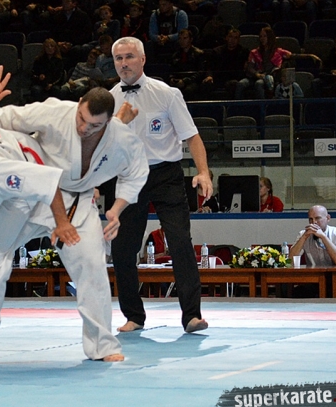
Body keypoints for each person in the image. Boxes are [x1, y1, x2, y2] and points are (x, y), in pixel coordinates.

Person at [0, 65, 147, 365]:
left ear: (108, 123)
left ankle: (102, 345)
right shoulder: (55, 112)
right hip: (25, 195)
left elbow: (136, 172)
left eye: (94, 125)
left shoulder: (122, 139)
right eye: (81, 118)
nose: (83, 128)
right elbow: (10, 117)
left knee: (92, 266)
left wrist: (116, 210)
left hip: (72, 201)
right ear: (78, 105)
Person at [109, 36, 211, 333]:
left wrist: (203, 172)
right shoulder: (109, 99)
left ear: (142, 59)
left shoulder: (167, 93)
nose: (124, 63)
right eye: (118, 58)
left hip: (165, 173)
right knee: (122, 249)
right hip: (128, 176)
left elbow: (192, 135)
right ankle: (133, 316)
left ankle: (192, 316)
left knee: (179, 242)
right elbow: (100, 146)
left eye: (129, 57)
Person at [235, 27, 291, 100]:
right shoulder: (254, 52)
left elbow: (289, 54)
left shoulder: (277, 51)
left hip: (268, 77)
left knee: (259, 84)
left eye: (265, 36)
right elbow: (250, 67)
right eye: (261, 36)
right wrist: (257, 74)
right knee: (240, 84)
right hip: (254, 76)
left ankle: (262, 106)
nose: (262, 38)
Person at [203, 28, 250, 99]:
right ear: (226, 37)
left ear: (239, 40)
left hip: (234, 79)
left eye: (235, 38)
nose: (232, 40)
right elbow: (209, 66)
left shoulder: (244, 52)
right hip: (218, 78)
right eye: (230, 37)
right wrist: (209, 76)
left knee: (234, 85)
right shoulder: (217, 51)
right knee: (206, 84)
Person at [168, 28, 208, 101]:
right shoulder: (176, 55)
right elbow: (172, 70)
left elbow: (201, 72)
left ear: (191, 39)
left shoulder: (198, 54)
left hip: (193, 82)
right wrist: (172, 78)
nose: (182, 41)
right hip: (178, 81)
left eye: (185, 38)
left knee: (188, 90)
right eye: (180, 38)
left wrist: (185, 81)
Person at [29, 38, 65, 102]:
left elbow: (60, 76)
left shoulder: (59, 61)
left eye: (52, 46)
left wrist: (52, 84)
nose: (49, 48)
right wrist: (39, 77)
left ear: (55, 48)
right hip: (40, 83)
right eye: (47, 47)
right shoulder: (39, 60)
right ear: (44, 48)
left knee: (56, 89)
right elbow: (33, 74)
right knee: (36, 89)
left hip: (54, 83)